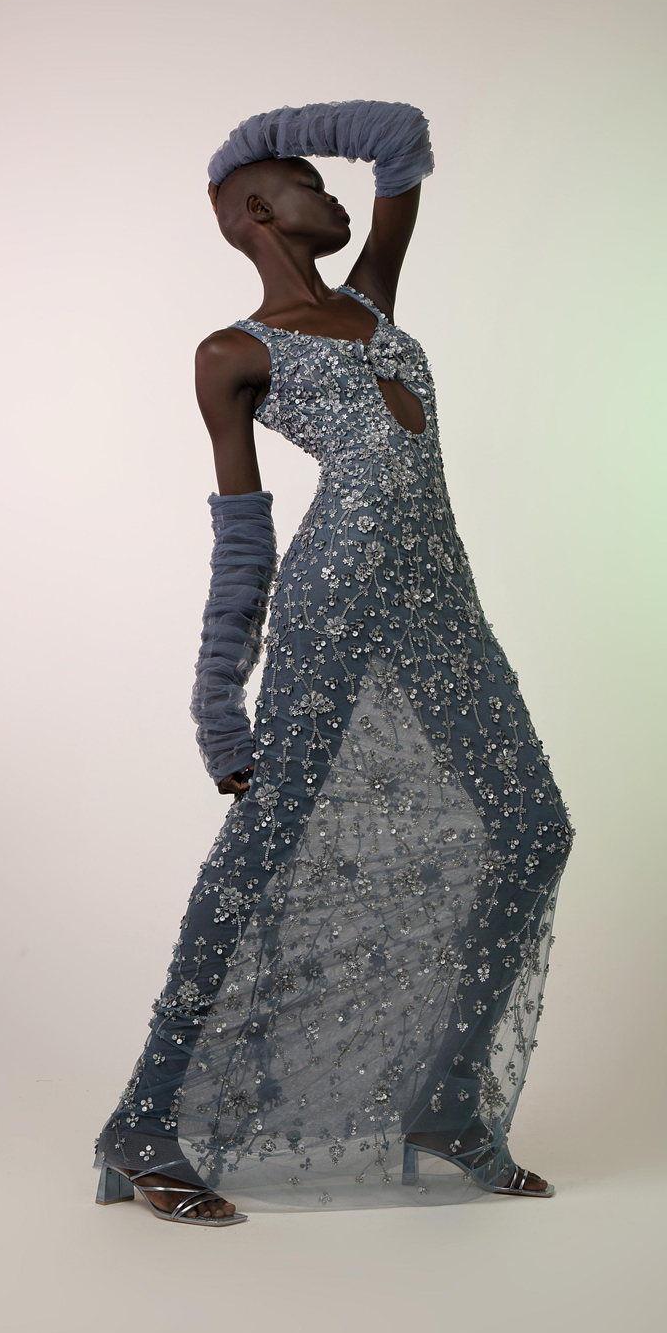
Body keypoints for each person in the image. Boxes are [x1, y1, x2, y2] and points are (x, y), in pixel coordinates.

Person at [93, 100, 574, 1226]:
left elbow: (400, 138)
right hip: (337, 597)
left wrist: (254, 138)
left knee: (532, 827)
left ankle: (444, 1100)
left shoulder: (371, 301)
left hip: (443, 600)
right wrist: (219, 709)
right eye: (307, 182)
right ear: (259, 213)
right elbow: (241, 534)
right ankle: (146, 1123)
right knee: (265, 845)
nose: (334, 192)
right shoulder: (233, 354)